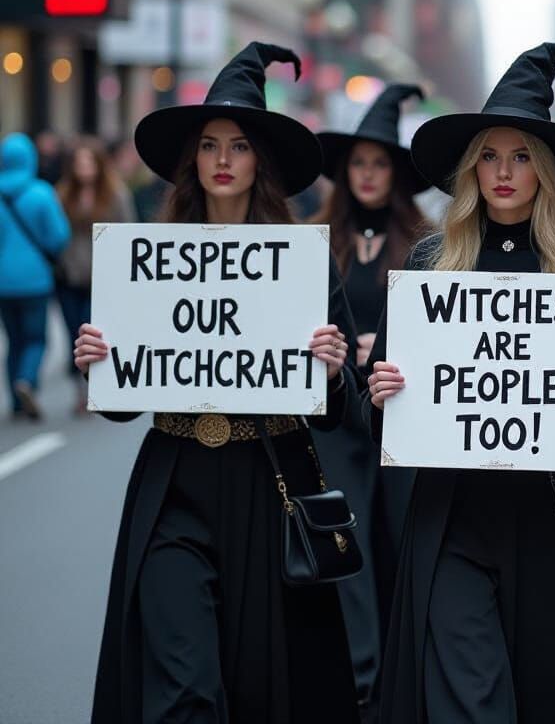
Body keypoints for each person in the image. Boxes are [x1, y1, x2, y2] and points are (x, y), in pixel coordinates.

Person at [367, 43, 555, 723]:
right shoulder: (431, 263)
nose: (503, 172)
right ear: (471, 168)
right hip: (453, 518)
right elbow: (382, 411)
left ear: (543, 171)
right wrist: (380, 390)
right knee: (469, 699)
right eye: (490, 156)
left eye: (521, 156)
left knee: (547, 693)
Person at [77, 43, 361, 723]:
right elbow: (122, 407)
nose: (223, 159)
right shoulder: (150, 257)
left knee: (259, 682)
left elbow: (339, 410)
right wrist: (99, 362)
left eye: (238, 145)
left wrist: (330, 369)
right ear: (193, 161)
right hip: (175, 483)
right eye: (209, 146)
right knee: (183, 685)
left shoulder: (303, 261)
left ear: (259, 161)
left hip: (269, 482)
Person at [314, 83, 431, 711]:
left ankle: (403, 678)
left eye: (379, 163)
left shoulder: (428, 244)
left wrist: (390, 347)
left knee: (402, 536)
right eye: (358, 163)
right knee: (347, 540)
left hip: (402, 415)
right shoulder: (314, 240)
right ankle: (361, 682)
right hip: (336, 416)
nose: (367, 174)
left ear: (396, 174)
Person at [55, 136, 136, 413]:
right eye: (79, 163)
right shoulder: (62, 194)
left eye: (89, 162)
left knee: (93, 332)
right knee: (72, 334)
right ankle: (79, 389)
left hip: (102, 279)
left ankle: (94, 388)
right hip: (69, 277)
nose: (84, 168)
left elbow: (128, 233)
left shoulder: (116, 194)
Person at [0, 132, 71, 420]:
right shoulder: (41, 193)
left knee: (13, 340)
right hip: (35, 280)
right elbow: (58, 236)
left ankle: (16, 403)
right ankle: (27, 380)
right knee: (35, 338)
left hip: (3, 282)